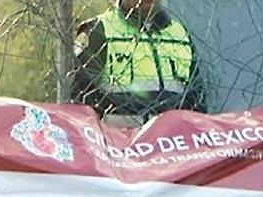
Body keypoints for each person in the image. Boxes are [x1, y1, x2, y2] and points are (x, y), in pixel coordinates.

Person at [72, 0, 207, 120]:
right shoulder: (99, 30)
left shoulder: (179, 33)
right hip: (119, 137)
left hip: (171, 137)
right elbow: (81, 101)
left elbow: (197, 100)